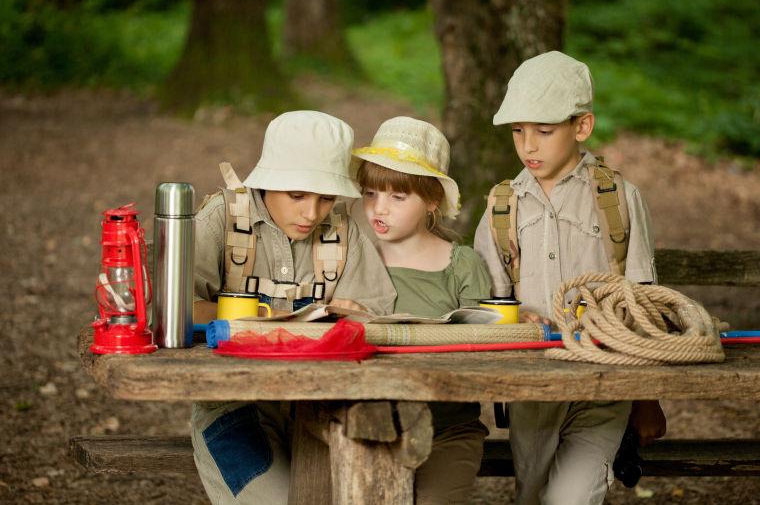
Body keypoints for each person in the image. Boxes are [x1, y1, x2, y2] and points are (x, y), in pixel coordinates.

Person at [474, 51, 667, 505]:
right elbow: (491, 306)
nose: (529, 146)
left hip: (604, 379)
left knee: (572, 498)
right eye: (518, 131)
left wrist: (647, 396)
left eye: (544, 131)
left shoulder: (618, 199)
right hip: (532, 386)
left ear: (581, 127)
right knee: (532, 492)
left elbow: (641, 300)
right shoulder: (503, 206)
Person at [191, 110, 397, 505]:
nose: (312, 213)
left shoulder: (342, 233)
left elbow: (378, 318)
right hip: (233, 404)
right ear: (268, 181)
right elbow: (174, 312)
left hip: (320, 406)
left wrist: (355, 316)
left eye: (325, 198)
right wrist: (255, 316)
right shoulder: (223, 219)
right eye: (298, 195)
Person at [352, 116, 491, 504]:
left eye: (398, 197)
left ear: (432, 200)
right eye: (370, 193)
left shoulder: (461, 265)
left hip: (447, 428)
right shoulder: (354, 259)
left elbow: (487, 353)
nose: (379, 208)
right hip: (369, 423)